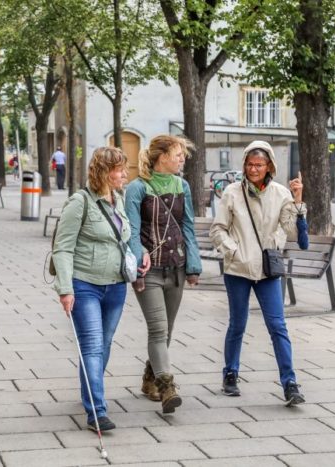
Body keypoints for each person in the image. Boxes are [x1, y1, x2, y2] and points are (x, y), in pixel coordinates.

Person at [209, 140, 306, 407]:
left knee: (278, 326)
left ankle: (290, 382)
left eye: (259, 165)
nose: (254, 169)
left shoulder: (281, 194)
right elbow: (217, 230)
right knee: (237, 324)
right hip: (238, 269)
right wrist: (233, 251)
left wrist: (298, 203)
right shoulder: (231, 192)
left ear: (269, 166)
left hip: (267, 270)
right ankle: (230, 373)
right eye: (250, 164)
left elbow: (294, 234)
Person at [52, 147, 130, 432]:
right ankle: (96, 411)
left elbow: (122, 239)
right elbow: (62, 248)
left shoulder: (118, 200)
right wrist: (65, 288)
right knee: (93, 346)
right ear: (105, 172)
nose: (125, 174)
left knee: (103, 345)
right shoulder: (79, 202)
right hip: (85, 285)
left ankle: (89, 390)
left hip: (117, 286)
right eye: (121, 169)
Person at [125, 135, 202, 413]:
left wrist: (193, 265)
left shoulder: (182, 186)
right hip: (150, 270)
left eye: (183, 154)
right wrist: (137, 266)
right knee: (158, 329)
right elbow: (131, 233)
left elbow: (188, 227)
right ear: (162, 156)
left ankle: (149, 379)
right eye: (178, 153)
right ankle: (167, 386)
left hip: (177, 268)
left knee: (166, 331)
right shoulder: (136, 188)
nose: (182, 159)